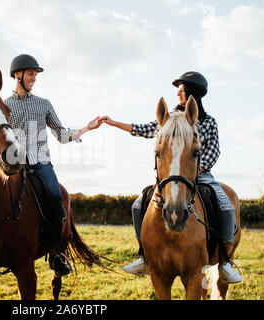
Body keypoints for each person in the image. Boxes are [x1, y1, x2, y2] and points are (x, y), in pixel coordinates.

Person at [0, 54, 102, 276]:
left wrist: (86, 128)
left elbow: (61, 134)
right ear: (17, 75)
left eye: (35, 74)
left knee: (55, 196)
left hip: (41, 163)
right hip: (13, 163)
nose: (34, 78)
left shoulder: (44, 104)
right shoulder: (3, 105)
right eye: (30, 74)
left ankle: (56, 252)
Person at [100, 71, 242, 284]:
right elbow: (144, 129)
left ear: (192, 93)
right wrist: (113, 123)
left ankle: (224, 261)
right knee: (138, 206)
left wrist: (197, 169)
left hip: (199, 175)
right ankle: (144, 256)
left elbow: (214, 150)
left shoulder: (208, 122)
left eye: (182, 89)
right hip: (170, 176)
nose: (178, 93)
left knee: (225, 206)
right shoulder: (169, 119)